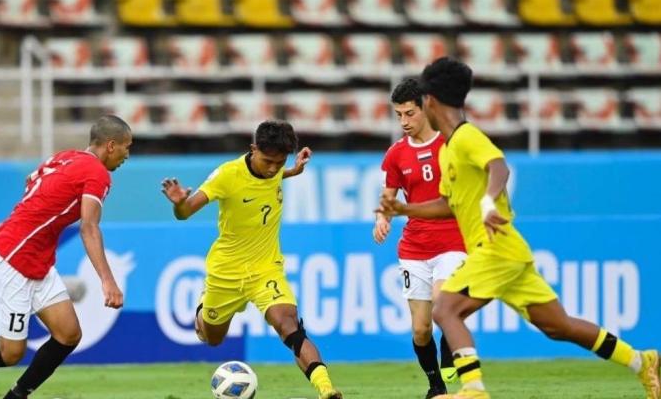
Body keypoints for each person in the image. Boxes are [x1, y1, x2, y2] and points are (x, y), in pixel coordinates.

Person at [377, 58, 660, 399]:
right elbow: (448, 205)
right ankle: (642, 361)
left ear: (430, 102)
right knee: (559, 326)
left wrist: (488, 201)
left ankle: (473, 389)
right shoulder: (450, 149)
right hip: (508, 251)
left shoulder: (466, 137)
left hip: (493, 247)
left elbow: (499, 167)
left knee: (445, 309)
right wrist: (404, 208)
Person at [0, 115, 133, 399]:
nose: (128, 155)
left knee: (69, 334)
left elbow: (32, 183)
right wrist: (107, 280)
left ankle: (17, 396)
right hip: (13, 259)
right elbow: (88, 227)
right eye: (127, 147)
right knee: (10, 353)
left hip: (36, 258)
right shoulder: (98, 173)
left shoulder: (64, 158)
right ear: (111, 145)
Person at [161, 120, 342, 399]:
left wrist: (293, 169)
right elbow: (186, 213)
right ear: (253, 149)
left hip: (265, 269)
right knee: (212, 339)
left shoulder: (276, 168)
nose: (273, 168)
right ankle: (203, 304)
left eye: (279, 162)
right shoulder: (227, 175)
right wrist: (180, 203)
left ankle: (326, 389)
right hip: (226, 272)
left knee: (289, 324)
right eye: (268, 161)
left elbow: (270, 179)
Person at [374, 77, 465, 398]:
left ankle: (449, 347)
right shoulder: (396, 153)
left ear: (425, 107)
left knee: (444, 306)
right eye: (398, 115)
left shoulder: (451, 144)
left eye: (409, 113)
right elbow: (388, 196)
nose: (404, 121)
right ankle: (435, 385)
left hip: (453, 241)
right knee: (420, 328)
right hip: (414, 248)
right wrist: (381, 218)